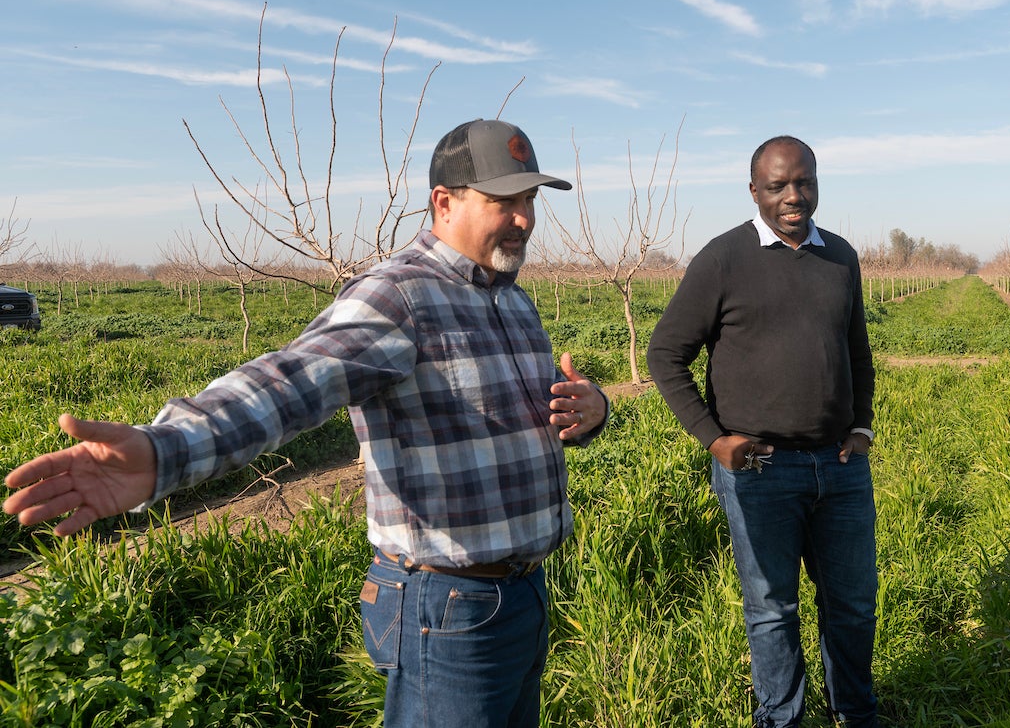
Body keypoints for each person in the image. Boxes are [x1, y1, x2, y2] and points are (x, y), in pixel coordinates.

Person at [3, 118, 610, 728]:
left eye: (529, 200)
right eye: (505, 201)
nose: (526, 219)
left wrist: (591, 412)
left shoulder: (511, 300)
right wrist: (167, 451)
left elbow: (523, 419)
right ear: (444, 202)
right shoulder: (402, 296)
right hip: (450, 606)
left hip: (525, 592)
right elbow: (292, 380)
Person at [646, 135, 879, 727]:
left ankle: (854, 711)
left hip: (842, 466)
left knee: (852, 605)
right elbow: (666, 354)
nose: (793, 196)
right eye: (778, 186)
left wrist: (862, 427)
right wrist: (714, 438)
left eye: (804, 182)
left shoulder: (842, 257)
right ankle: (781, 718)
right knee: (773, 608)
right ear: (755, 191)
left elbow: (856, 350)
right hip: (760, 470)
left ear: (817, 184)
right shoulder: (724, 258)